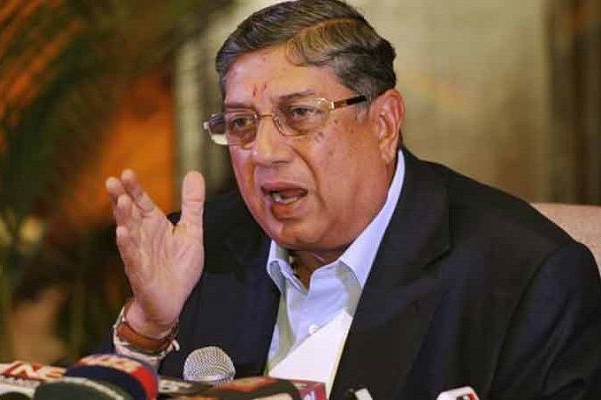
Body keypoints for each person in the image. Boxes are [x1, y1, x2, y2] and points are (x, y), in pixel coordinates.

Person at [104, 0, 601, 398]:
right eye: (241, 123)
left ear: (383, 123)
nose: (264, 152)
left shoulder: (526, 277)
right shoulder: (199, 251)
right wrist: (149, 327)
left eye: (299, 114)